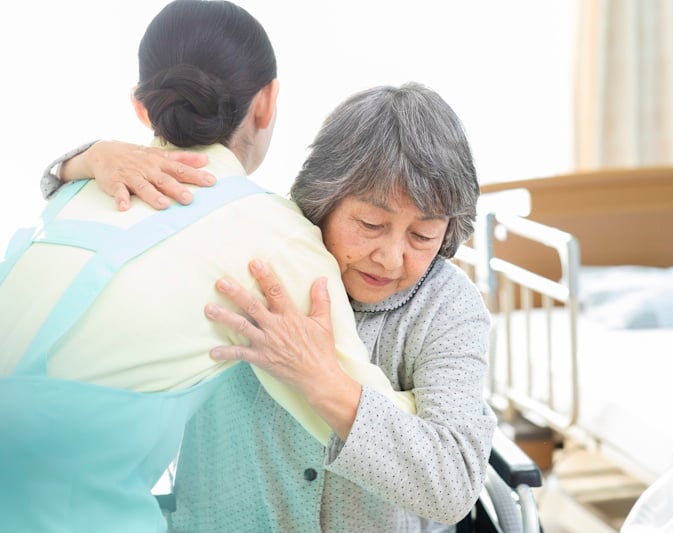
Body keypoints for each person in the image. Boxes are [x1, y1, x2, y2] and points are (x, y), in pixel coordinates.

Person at [0, 1, 419, 531]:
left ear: (141, 107)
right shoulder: (273, 236)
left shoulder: (83, 187)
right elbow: (389, 446)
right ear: (266, 102)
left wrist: (84, 157)